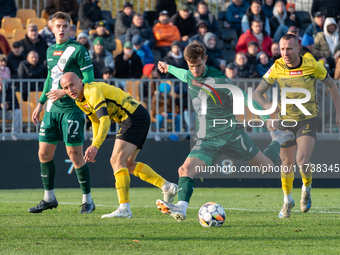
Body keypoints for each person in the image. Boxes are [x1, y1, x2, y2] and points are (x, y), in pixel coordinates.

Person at [156, 42, 294, 222]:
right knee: (184, 170)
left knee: (267, 167)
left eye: (198, 65)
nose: (195, 70)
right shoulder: (190, 75)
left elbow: (244, 97)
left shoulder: (219, 80)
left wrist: (266, 118)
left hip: (230, 136)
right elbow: (183, 74)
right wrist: (168, 67)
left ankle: (278, 138)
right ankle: (181, 208)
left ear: (205, 59)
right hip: (207, 139)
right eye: (191, 66)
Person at [59, 72, 178, 218]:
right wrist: (94, 145)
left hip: (133, 116)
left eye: (72, 84)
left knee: (116, 161)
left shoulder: (91, 92)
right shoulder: (79, 100)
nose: (70, 89)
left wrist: (95, 145)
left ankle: (124, 208)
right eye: (65, 88)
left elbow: (105, 121)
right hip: (137, 116)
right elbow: (96, 121)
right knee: (128, 164)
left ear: (80, 81)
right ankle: (167, 186)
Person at [253, 34, 340, 218]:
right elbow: (257, 93)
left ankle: (306, 187)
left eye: (289, 49)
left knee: (302, 160)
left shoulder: (312, 65)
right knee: (286, 163)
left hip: (308, 119)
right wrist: (268, 106)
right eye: (282, 49)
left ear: (298, 48)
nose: (285, 52)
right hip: (285, 121)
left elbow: (332, 86)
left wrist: (339, 112)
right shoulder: (277, 66)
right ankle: (287, 201)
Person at [28, 12, 95, 214]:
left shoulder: (78, 50)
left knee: (74, 155)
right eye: (58, 26)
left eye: (65, 25)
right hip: (51, 110)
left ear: (70, 28)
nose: (62, 29)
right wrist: (40, 103)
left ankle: (88, 200)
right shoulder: (49, 51)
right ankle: (49, 198)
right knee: (43, 153)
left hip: (72, 111)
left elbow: (89, 81)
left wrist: (64, 92)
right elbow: (51, 77)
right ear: (52, 28)